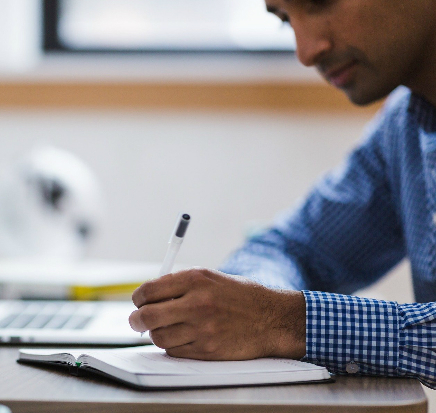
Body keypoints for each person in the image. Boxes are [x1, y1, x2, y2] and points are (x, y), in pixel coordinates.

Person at [128, 0, 436, 388]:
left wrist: (284, 321)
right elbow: (292, 248)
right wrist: (246, 305)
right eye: (285, 21)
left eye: (321, 3)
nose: (306, 52)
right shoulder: (406, 127)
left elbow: (280, 313)